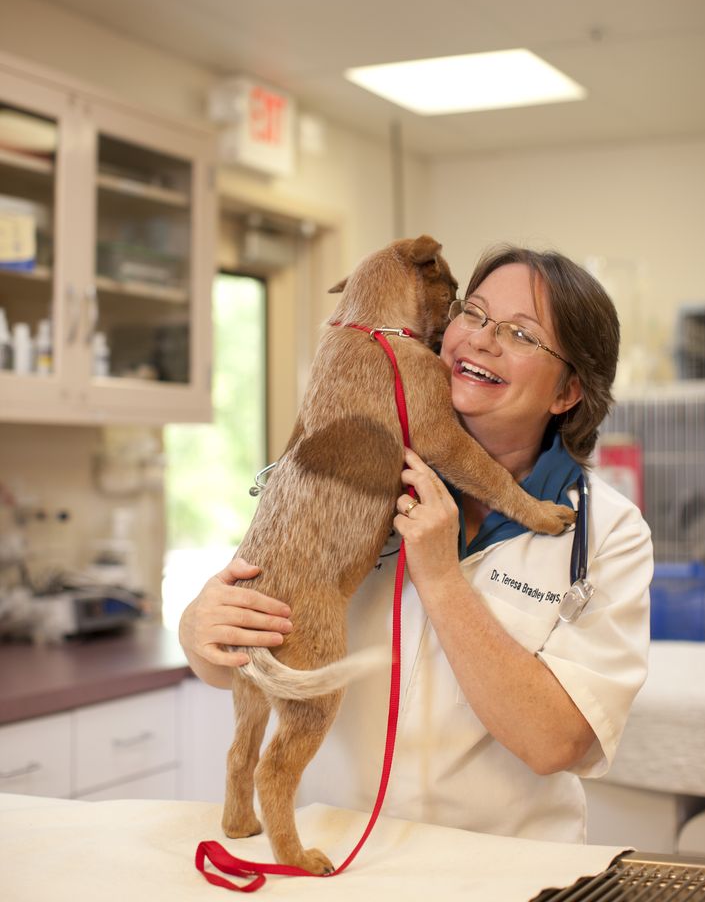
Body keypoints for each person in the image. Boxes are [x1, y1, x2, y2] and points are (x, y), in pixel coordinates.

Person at [179, 244, 653, 844]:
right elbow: (255, 659)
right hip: (338, 852)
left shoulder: (608, 533)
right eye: (473, 313)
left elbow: (555, 741)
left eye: (521, 335)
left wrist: (441, 578)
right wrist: (200, 631)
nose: (481, 339)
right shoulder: (345, 463)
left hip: (501, 869)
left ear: (567, 394)